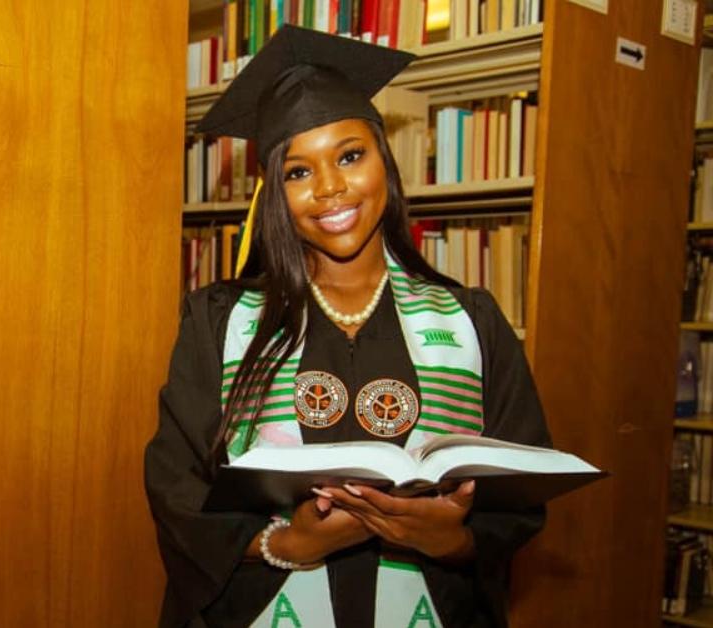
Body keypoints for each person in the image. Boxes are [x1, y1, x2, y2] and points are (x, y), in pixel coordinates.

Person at [144, 25, 551, 628]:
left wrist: (454, 541)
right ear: (275, 193)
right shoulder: (219, 320)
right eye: (298, 172)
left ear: (384, 161)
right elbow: (176, 488)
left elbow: (517, 498)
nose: (330, 188)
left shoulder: (470, 319)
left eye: (350, 156)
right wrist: (285, 545)